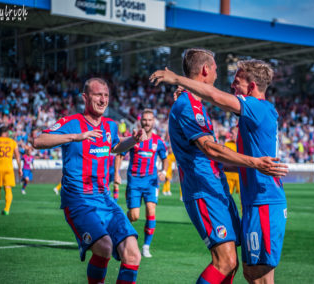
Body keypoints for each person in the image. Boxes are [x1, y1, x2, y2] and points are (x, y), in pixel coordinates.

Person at [150, 49, 288, 283]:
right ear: (205, 69)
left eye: (236, 81)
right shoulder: (192, 106)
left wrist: (179, 80)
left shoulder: (256, 108)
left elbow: (215, 96)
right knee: (235, 266)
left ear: (252, 86)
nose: (229, 83)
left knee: (251, 274)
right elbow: (211, 145)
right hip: (219, 192)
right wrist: (190, 92)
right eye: (216, 68)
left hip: (261, 201)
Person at [33, 77, 147, 284]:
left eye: (106, 95)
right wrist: (76, 137)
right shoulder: (71, 123)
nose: (103, 100)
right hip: (78, 200)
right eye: (98, 95)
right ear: (85, 97)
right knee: (104, 247)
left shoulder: (111, 125)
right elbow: (38, 141)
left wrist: (133, 140)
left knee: (133, 254)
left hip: (104, 199)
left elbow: (114, 146)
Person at [115, 109, 168, 258]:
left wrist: (163, 171)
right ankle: (120, 230)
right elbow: (119, 155)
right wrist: (117, 174)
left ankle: (146, 246)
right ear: (140, 121)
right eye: (144, 119)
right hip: (135, 182)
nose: (146, 122)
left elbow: (165, 158)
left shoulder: (158, 141)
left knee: (151, 211)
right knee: (134, 216)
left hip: (151, 182)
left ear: (154, 122)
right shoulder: (133, 139)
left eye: (149, 120)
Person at [0, 126, 23, 215]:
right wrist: (20, 168)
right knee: (8, 188)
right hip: (9, 168)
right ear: (7, 133)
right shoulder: (12, 142)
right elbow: (18, 156)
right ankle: (7, 209)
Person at [224, 127, 241, 196]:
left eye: (232, 133)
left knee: (243, 197)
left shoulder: (242, 145)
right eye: (230, 133)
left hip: (239, 175)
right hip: (228, 174)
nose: (230, 135)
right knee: (226, 196)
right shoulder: (227, 144)